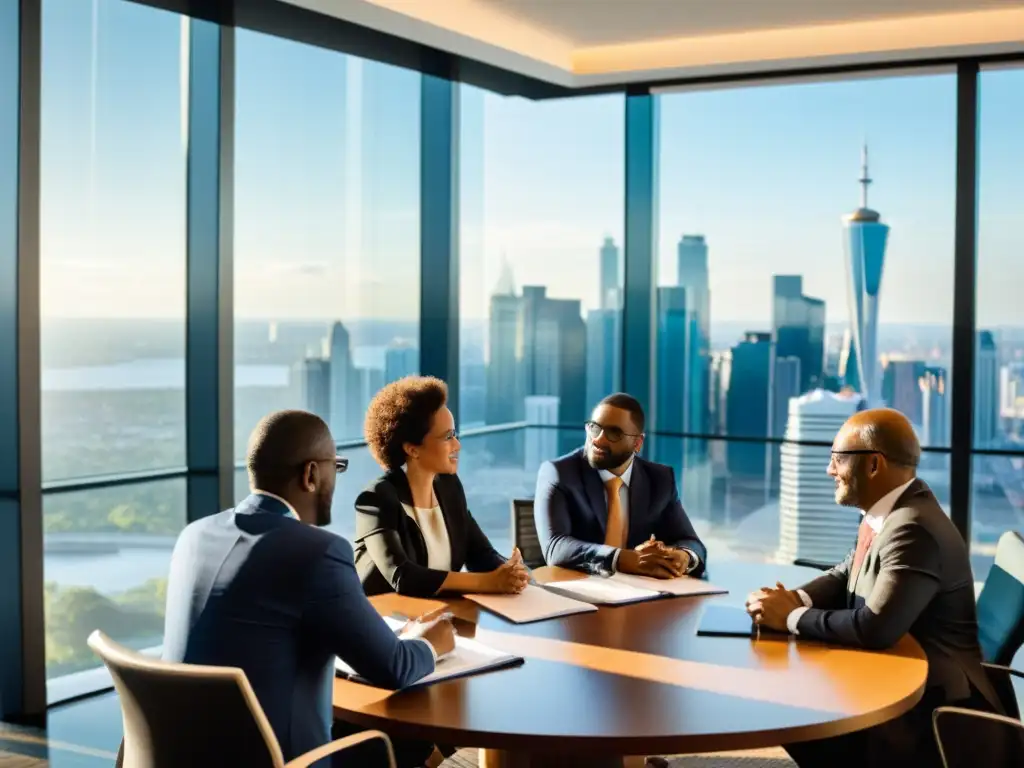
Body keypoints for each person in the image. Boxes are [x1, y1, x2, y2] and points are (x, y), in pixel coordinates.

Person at [161, 410, 455, 768]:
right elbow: (393, 667)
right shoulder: (317, 552)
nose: (336, 477)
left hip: (188, 755)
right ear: (311, 474)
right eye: (337, 466)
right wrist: (431, 642)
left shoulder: (194, 536)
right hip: (284, 759)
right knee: (406, 746)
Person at [745, 408, 1004, 768]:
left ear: (873, 465)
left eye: (837, 459)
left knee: (786, 702)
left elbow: (875, 627)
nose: (829, 470)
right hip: (897, 671)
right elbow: (847, 572)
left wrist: (791, 617)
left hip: (925, 705)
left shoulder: (912, 527)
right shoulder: (890, 509)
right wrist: (794, 599)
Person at [354, 375, 529, 597]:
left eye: (454, 434)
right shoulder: (376, 499)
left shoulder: (449, 487)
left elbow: (480, 554)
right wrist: (489, 582)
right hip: (387, 623)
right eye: (447, 437)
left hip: (441, 617)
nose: (457, 445)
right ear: (412, 449)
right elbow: (402, 576)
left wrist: (510, 571)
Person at [532, 392, 707, 578]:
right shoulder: (559, 473)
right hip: (575, 592)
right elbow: (556, 547)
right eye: (594, 428)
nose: (598, 439)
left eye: (614, 433)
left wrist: (683, 556)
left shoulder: (660, 479)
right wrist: (623, 559)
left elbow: (691, 542)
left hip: (640, 593)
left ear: (637, 443)